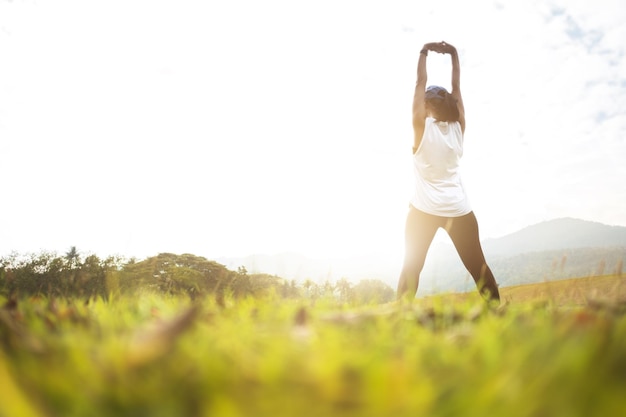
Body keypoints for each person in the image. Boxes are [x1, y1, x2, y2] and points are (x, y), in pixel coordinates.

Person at [396, 41, 500, 305]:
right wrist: (453, 54)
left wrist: (423, 50)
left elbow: (420, 83)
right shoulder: (458, 128)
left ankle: (399, 319)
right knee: (479, 269)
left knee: (411, 269)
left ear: (426, 105)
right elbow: (457, 88)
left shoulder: (420, 128)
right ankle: (497, 314)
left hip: (423, 211)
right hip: (458, 210)